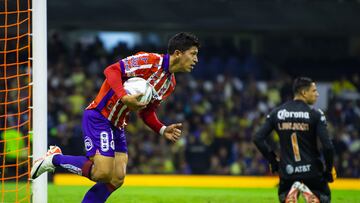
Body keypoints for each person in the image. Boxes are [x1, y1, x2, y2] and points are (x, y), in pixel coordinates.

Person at [31, 32, 200, 203]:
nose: (196, 60)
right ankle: (54, 159)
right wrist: (124, 97)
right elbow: (111, 70)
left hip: (118, 125)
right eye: (193, 54)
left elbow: (146, 112)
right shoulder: (148, 60)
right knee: (102, 173)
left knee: (117, 178)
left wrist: (162, 129)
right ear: (178, 53)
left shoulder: (169, 84)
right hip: (99, 115)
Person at [253, 77, 336, 203]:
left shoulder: (277, 113)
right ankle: (314, 196)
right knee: (324, 198)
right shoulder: (315, 114)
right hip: (312, 172)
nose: (317, 94)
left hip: (287, 171)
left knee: (284, 196)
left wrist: (273, 161)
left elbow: (257, 138)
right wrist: (329, 170)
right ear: (304, 93)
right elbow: (328, 147)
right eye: (314, 91)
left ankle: (289, 194)